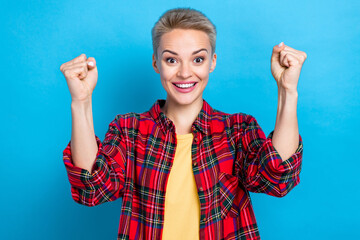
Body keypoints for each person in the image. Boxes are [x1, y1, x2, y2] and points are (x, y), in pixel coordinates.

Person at [60, 7, 306, 240]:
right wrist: (80, 101)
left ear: (212, 62)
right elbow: (92, 188)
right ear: (156, 63)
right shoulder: (129, 131)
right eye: (172, 60)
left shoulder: (237, 130)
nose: (185, 73)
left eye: (198, 60)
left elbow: (278, 178)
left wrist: (288, 90)